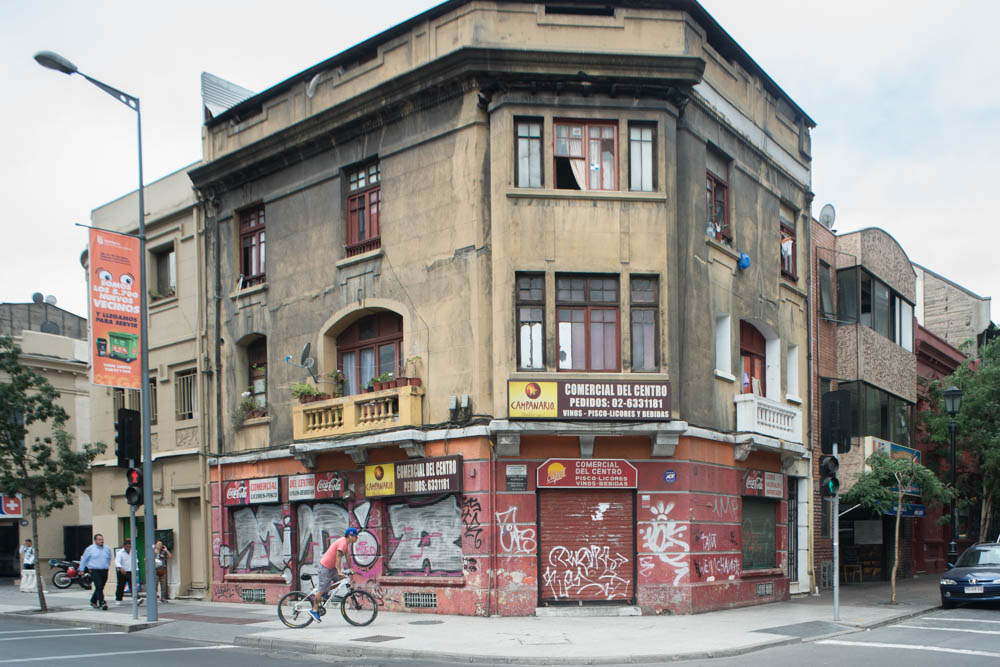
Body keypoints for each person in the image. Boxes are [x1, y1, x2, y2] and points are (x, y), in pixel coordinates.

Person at [310, 527, 359, 623]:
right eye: (355, 536)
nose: (357, 538)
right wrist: (339, 570)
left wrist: (351, 568)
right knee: (321, 589)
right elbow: (338, 557)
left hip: (331, 568)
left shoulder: (346, 543)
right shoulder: (343, 543)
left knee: (340, 580)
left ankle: (325, 593)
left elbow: (348, 557)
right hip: (325, 568)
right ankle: (314, 610)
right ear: (350, 536)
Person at [79, 534, 112, 610]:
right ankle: (102, 602)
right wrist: (81, 569)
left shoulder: (107, 548)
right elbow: (84, 559)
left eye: (102, 539)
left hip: (104, 570)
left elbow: (109, 558)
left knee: (100, 587)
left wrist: (107, 566)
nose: (101, 541)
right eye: (99, 539)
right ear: (95, 540)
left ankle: (93, 600)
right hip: (95, 570)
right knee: (99, 585)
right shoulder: (90, 549)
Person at [114, 539, 132, 605]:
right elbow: (117, 562)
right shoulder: (120, 553)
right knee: (121, 586)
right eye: (127, 547)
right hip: (122, 571)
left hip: (130, 571)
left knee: (132, 584)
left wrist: (136, 569)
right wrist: (120, 567)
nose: (128, 548)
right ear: (124, 546)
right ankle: (118, 599)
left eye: (130, 547)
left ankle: (136, 598)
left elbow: (135, 561)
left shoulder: (133, 552)